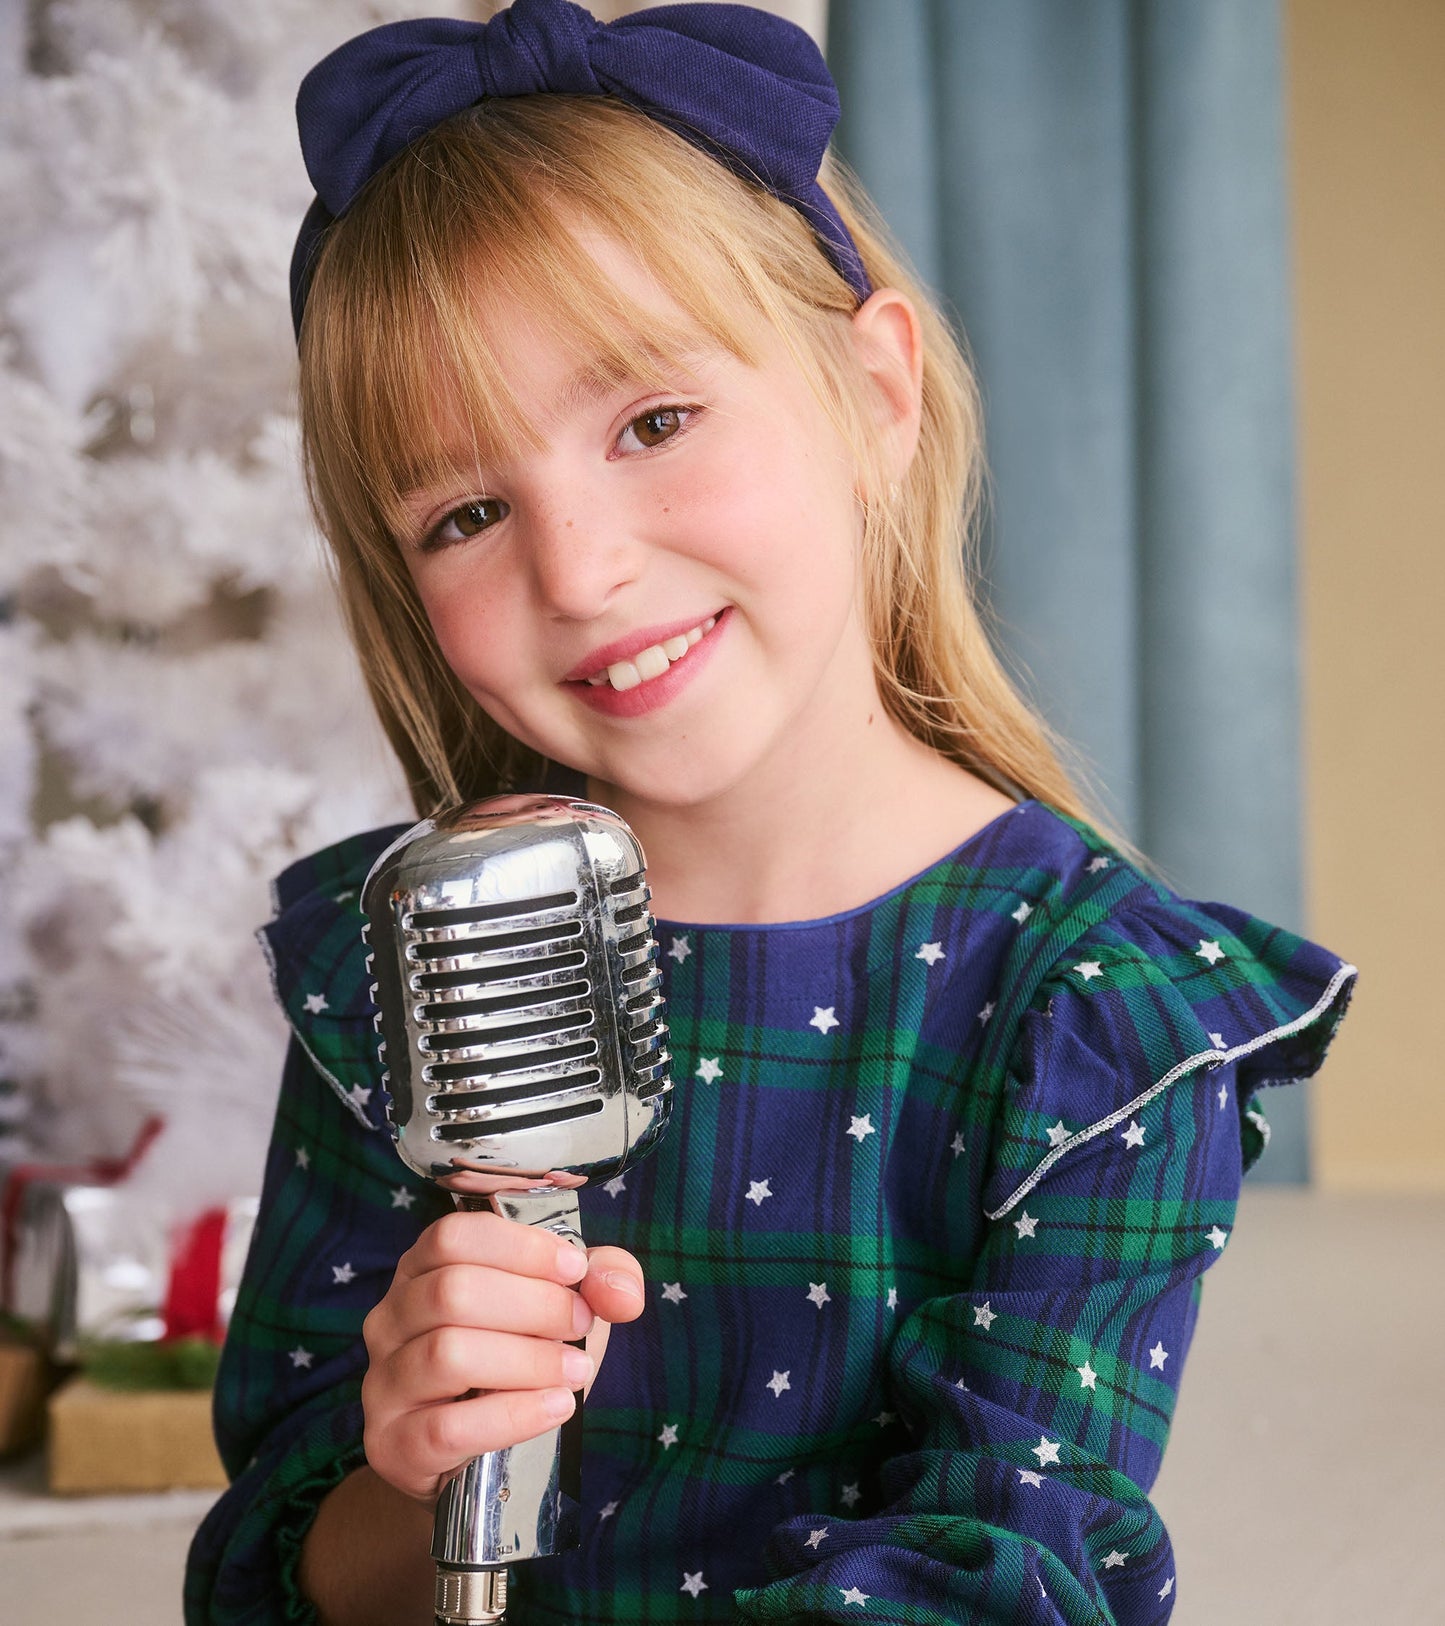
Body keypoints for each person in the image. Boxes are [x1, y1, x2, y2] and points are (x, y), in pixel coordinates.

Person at [185, 3, 1356, 1622]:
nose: (579, 570)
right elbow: (274, 1569)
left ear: (875, 395)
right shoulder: (399, 969)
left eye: (653, 422)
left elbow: (1011, 1568)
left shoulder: (1092, 1017)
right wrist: (420, 1473)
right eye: (467, 511)